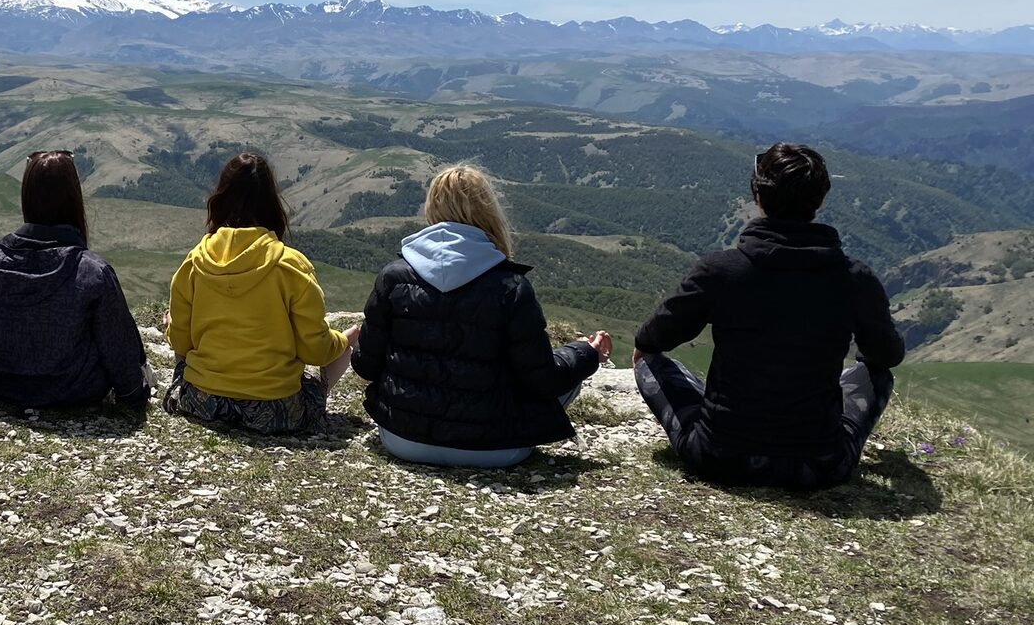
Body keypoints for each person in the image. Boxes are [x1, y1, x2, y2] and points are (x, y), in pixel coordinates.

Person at [632, 142, 905, 491]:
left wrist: (645, 348)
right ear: (820, 200)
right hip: (819, 465)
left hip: (719, 457)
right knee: (876, 373)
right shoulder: (854, 278)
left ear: (758, 197)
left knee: (649, 360)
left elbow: (654, 337)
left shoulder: (722, 270)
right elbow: (888, 356)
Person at [351, 164, 610, 467]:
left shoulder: (393, 278)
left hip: (402, 439)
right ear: (489, 212)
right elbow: (543, 381)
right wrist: (585, 353)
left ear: (431, 209)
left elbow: (367, 367)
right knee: (571, 376)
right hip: (497, 449)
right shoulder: (511, 287)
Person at [162, 152, 357, 435]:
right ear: (272, 204)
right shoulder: (291, 265)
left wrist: (172, 326)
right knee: (341, 352)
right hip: (274, 410)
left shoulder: (194, 262)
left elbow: (181, 342)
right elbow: (315, 350)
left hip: (203, 402)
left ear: (219, 200)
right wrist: (341, 341)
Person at [0, 151, 151, 409]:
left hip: (4, 388)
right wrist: (134, 394)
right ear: (74, 200)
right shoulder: (92, 274)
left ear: (26, 198)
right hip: (77, 392)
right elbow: (118, 348)